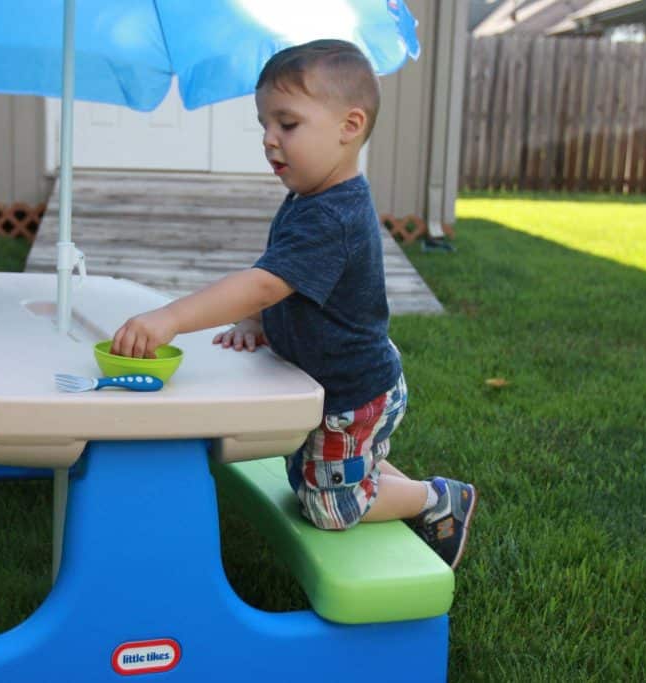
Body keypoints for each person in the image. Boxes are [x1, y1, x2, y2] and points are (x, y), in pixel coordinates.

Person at [110, 39, 476, 568]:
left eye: (287, 124)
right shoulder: (311, 198)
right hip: (335, 378)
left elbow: (265, 280)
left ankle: (437, 499)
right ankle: (377, 476)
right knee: (324, 469)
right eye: (264, 125)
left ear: (349, 127)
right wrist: (256, 321)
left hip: (350, 392)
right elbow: (285, 274)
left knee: (325, 503)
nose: (269, 140)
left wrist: (171, 317)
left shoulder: (333, 215)